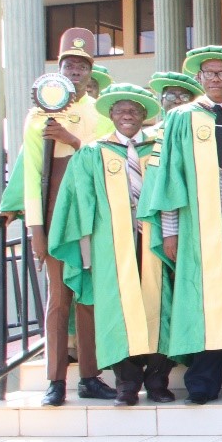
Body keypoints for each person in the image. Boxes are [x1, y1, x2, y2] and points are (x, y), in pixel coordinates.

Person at [139, 45, 222, 405]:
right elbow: (170, 179)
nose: (215, 78)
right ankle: (202, 383)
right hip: (197, 223)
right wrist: (170, 231)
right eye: (208, 73)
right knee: (203, 297)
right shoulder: (181, 118)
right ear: (199, 79)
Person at [0, 28, 117, 407]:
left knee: (89, 297)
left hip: (90, 213)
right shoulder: (37, 115)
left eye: (82, 65)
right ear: (58, 69)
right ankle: (55, 380)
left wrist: (73, 139)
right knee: (57, 297)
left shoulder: (100, 113)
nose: (74, 71)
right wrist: (35, 227)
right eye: (68, 64)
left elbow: (110, 160)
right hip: (52, 214)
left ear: (91, 71)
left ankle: (90, 375)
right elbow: (32, 174)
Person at [48, 83, 174, 406]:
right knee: (118, 309)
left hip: (155, 241)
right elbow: (78, 203)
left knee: (159, 306)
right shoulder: (93, 152)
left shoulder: (161, 148)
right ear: (111, 115)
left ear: (144, 115)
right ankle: (127, 384)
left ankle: (158, 380)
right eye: (120, 110)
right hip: (112, 245)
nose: (127, 115)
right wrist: (85, 250)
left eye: (134, 110)